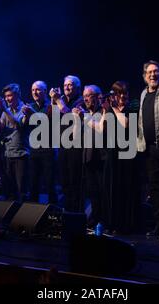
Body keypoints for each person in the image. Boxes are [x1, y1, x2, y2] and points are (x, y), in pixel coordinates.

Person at [101, 81, 141, 234]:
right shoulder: (111, 109)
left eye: (125, 93)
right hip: (112, 153)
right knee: (112, 188)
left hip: (128, 153)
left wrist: (115, 109)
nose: (123, 96)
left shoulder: (133, 106)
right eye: (119, 94)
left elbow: (127, 124)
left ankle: (126, 224)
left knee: (126, 188)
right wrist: (105, 112)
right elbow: (101, 128)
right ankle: (112, 223)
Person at [137, 60, 159, 237]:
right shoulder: (144, 93)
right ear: (144, 76)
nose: (153, 75)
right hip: (149, 148)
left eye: (156, 71)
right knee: (155, 187)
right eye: (149, 72)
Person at [72, 85, 105, 228]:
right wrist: (76, 119)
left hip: (102, 159)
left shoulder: (103, 111)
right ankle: (95, 219)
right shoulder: (85, 114)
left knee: (102, 192)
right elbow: (75, 137)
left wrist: (84, 117)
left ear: (98, 96)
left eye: (89, 95)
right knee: (92, 192)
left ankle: (103, 220)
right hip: (88, 158)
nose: (85, 98)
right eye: (84, 95)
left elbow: (102, 130)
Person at [50, 75, 84, 213]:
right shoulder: (62, 100)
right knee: (64, 181)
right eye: (65, 85)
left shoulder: (81, 100)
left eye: (70, 85)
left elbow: (69, 116)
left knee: (74, 181)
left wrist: (57, 100)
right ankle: (67, 212)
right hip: (63, 145)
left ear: (77, 87)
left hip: (76, 146)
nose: (67, 88)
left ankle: (76, 213)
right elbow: (52, 118)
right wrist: (54, 101)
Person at [0, 83, 30, 202]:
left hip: (21, 155)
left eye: (10, 96)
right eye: (6, 96)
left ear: (17, 95)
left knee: (22, 190)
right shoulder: (6, 110)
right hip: (8, 154)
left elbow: (18, 125)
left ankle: (24, 218)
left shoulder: (25, 109)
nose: (7, 99)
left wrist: (4, 109)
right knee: (9, 190)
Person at [26, 81, 56, 204]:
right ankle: (33, 215)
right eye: (33, 90)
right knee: (33, 184)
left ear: (45, 91)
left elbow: (46, 123)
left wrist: (32, 114)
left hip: (48, 149)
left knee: (50, 184)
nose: (35, 92)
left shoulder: (51, 106)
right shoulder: (30, 106)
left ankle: (54, 215)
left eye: (38, 89)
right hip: (34, 150)